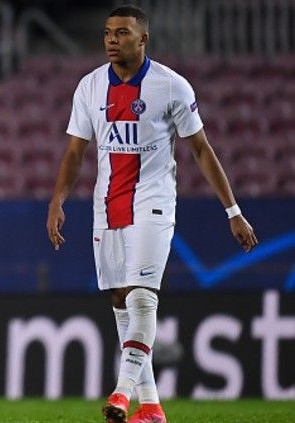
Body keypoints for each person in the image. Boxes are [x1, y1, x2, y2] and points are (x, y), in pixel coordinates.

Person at [46, 5, 258, 423]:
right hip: (107, 206)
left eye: (121, 33)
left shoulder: (171, 86)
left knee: (143, 297)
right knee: (121, 300)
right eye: (107, 32)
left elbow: (201, 149)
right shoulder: (89, 87)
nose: (110, 39)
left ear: (142, 39)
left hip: (153, 202)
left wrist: (233, 210)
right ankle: (153, 407)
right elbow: (75, 151)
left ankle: (122, 395)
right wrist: (57, 200)